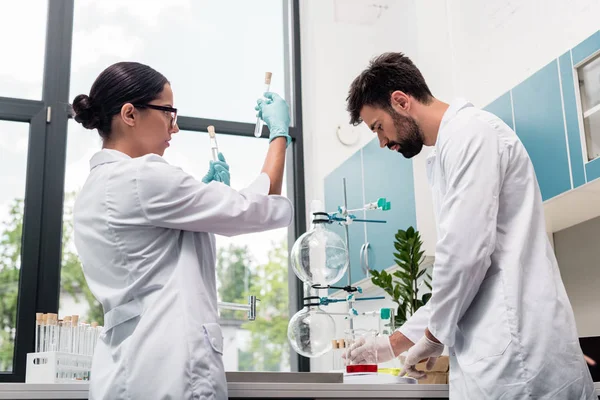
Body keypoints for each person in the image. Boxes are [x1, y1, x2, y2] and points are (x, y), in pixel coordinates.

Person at [344, 53, 596, 399]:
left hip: (522, 361)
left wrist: (431, 339)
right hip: (496, 359)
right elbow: (458, 272)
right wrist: (393, 344)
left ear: (400, 101)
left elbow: (465, 256)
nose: (383, 142)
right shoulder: (450, 148)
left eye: (378, 127)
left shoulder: (471, 134)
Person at [71, 61, 293, 400]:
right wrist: (279, 135)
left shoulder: (94, 189)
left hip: (123, 367)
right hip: (170, 367)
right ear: (130, 114)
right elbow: (254, 209)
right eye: (168, 113)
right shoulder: (142, 175)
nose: (174, 128)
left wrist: (202, 206)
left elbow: (153, 255)